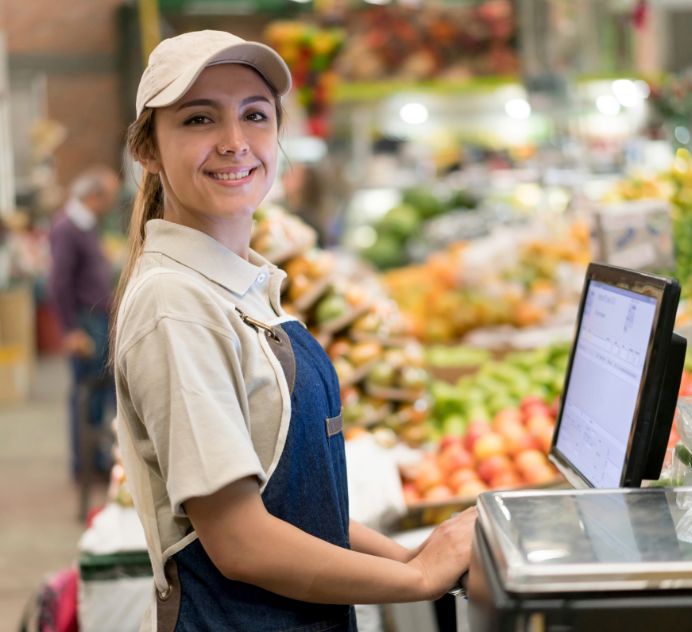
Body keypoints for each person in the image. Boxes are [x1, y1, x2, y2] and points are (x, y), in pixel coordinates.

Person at [112, 30, 475, 632]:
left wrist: (413, 554)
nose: (235, 143)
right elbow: (242, 542)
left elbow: (292, 511)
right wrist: (416, 580)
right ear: (148, 149)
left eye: (255, 116)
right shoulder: (176, 304)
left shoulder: (240, 285)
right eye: (199, 119)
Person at [49, 165, 121, 479]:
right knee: (87, 393)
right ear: (94, 197)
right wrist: (70, 329)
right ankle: (87, 465)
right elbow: (59, 282)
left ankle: (96, 459)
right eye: (108, 199)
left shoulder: (84, 225)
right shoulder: (68, 228)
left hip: (95, 317)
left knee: (98, 392)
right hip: (85, 320)